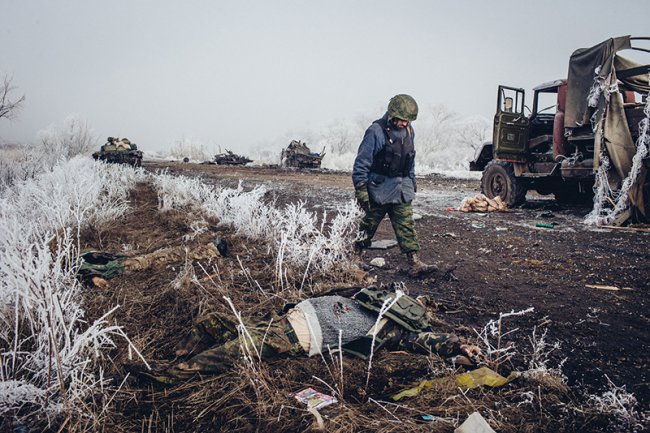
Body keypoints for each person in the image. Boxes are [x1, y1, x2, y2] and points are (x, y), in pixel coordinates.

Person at [147, 287, 481, 382]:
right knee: (214, 320)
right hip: (278, 320)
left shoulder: (391, 329)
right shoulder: (363, 296)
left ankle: (166, 375)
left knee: (235, 350)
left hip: (292, 337)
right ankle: (177, 355)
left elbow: (424, 341)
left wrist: (458, 345)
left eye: (413, 305)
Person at [352, 94, 435, 276]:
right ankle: (355, 258)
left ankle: (414, 262)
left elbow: (410, 160)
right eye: (402, 120)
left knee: (406, 225)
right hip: (378, 191)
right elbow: (361, 163)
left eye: (408, 121)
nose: (405, 124)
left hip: (401, 189)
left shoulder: (410, 131)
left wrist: (412, 182)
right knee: (368, 224)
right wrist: (361, 190)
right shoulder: (375, 131)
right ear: (392, 115)